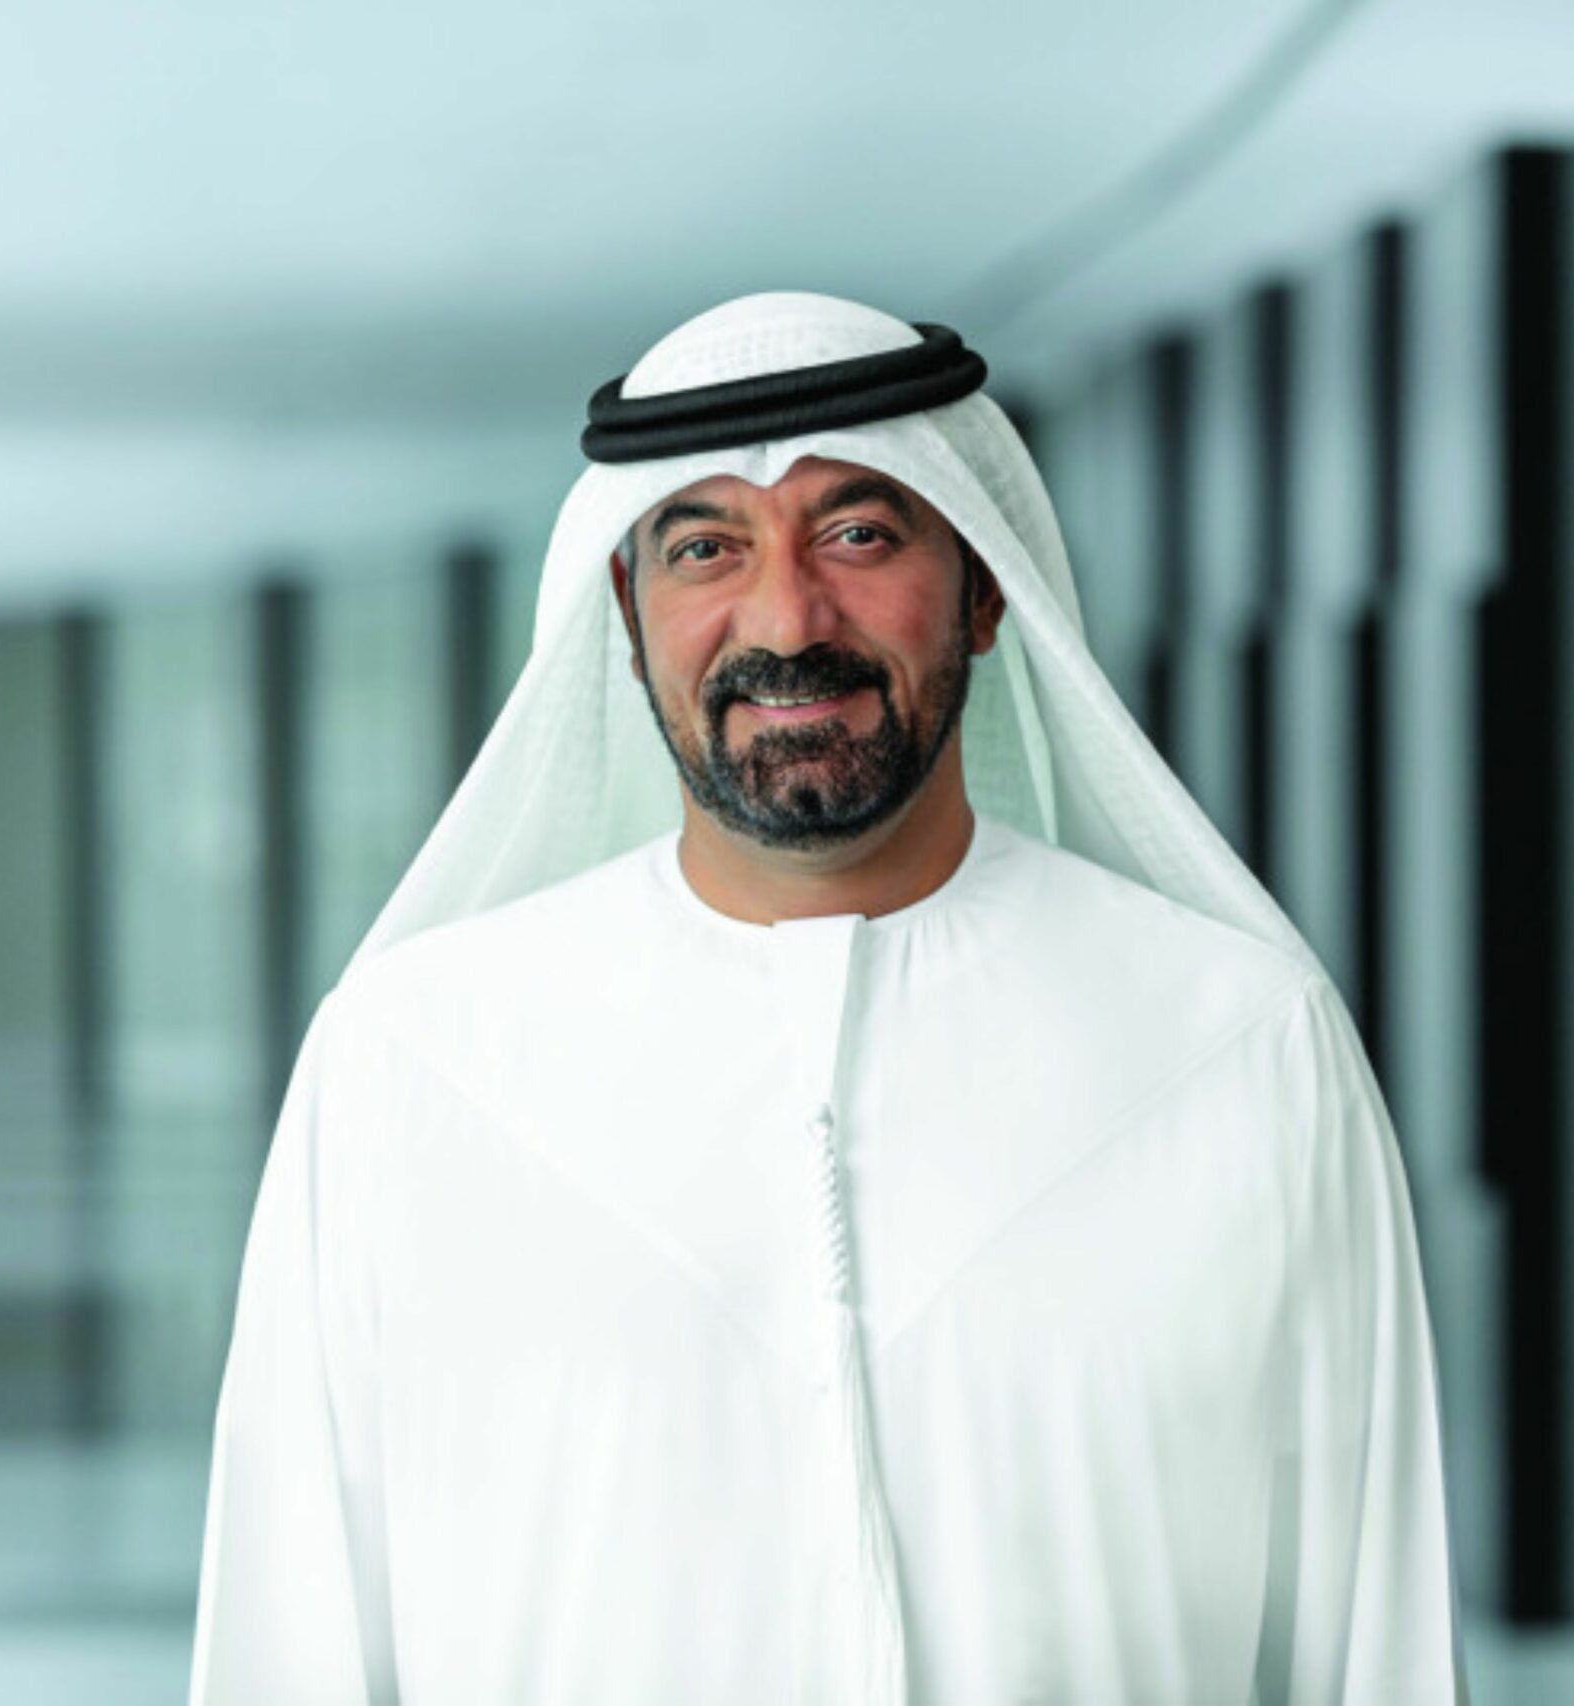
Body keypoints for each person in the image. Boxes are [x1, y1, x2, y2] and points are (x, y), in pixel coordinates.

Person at [189, 292, 1466, 1704]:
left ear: (985, 588)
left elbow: (1378, 1638)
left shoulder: (1239, 1044)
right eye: (705, 548)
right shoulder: (414, 1060)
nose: (788, 619)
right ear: (628, 621)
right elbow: (288, 1639)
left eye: (858, 534)